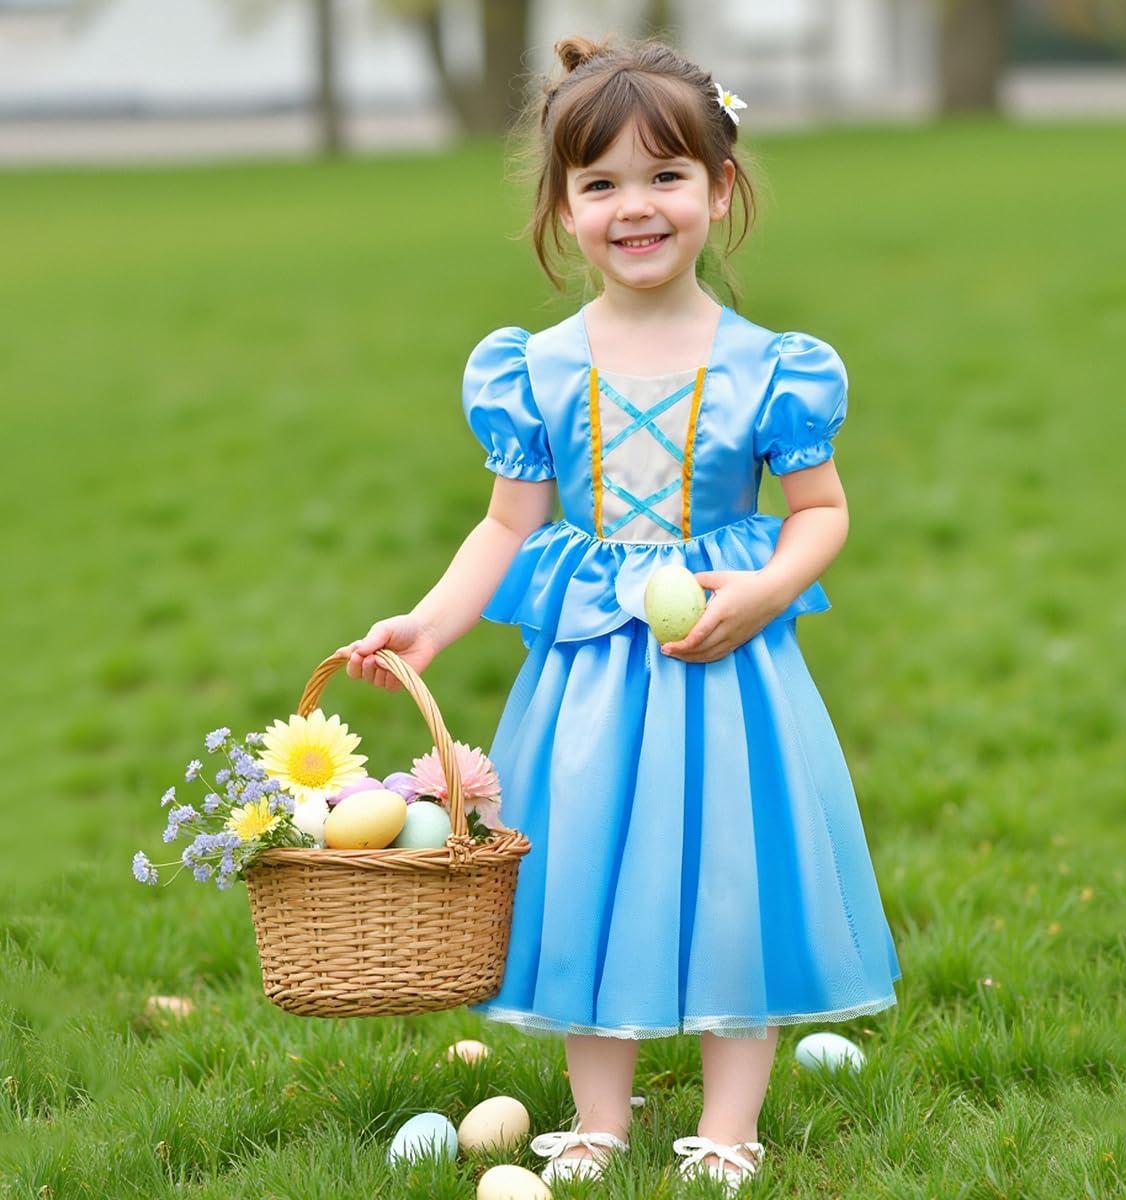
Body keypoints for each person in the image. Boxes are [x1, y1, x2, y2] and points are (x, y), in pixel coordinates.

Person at [338, 32, 901, 1196]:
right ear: (562, 206)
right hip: (592, 681)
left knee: (729, 879)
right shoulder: (534, 369)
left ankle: (729, 1124)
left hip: (728, 669)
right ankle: (599, 1116)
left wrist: (771, 586)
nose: (634, 208)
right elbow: (504, 527)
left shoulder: (769, 368)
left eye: (665, 177)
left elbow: (823, 512)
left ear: (719, 187)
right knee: (586, 872)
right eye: (600, 184)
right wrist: (429, 624)